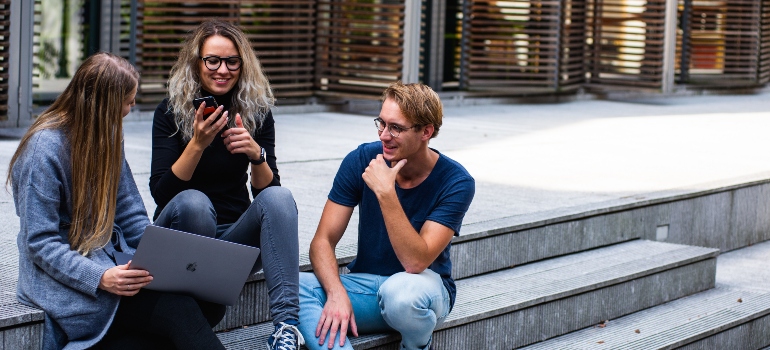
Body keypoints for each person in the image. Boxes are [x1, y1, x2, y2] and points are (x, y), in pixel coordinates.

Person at [8, 52, 226, 349]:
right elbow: (41, 243)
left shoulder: (107, 134)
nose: (131, 108)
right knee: (179, 311)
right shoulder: (42, 151)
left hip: (112, 259)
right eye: (128, 101)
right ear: (105, 105)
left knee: (210, 305)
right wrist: (101, 277)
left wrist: (156, 260)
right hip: (69, 277)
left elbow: (130, 211)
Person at [149, 19, 303, 350]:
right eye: (213, 61)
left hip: (232, 239)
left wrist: (256, 154)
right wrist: (198, 143)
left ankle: (286, 328)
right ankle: (192, 310)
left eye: (232, 61)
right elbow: (161, 193)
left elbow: (266, 194)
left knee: (280, 198)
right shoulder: (171, 113)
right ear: (197, 63)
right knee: (194, 203)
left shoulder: (255, 112)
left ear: (242, 64)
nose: (223, 70)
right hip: (182, 234)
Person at [298, 82, 476, 349]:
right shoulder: (362, 159)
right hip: (368, 287)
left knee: (401, 294)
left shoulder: (456, 181)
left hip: (422, 291)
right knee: (295, 286)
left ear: (426, 131)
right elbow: (322, 241)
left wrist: (386, 192)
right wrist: (336, 294)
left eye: (396, 128)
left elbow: (415, 262)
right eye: (381, 123)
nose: (383, 135)